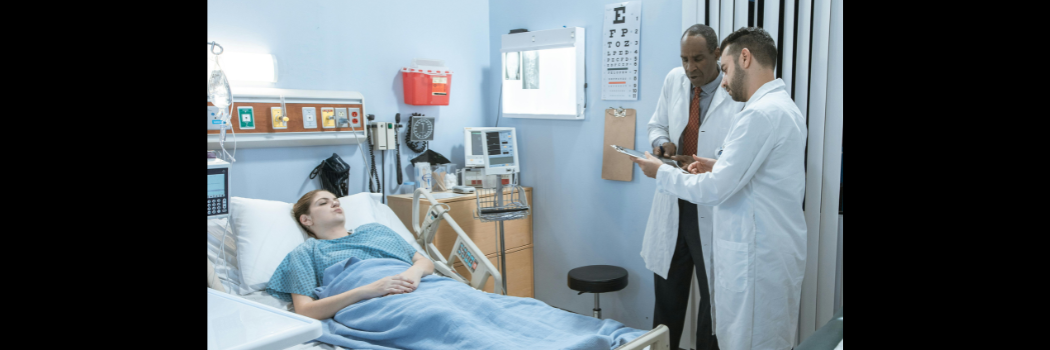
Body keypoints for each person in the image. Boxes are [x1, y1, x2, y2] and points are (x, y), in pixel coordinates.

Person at [632, 27, 808, 350]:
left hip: (754, 254)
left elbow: (715, 190)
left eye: (724, 70)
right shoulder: (783, 107)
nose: (723, 81)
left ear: (744, 58)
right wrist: (719, 165)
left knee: (732, 331)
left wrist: (660, 173)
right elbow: (754, 172)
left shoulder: (759, 114)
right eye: (684, 59)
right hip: (765, 249)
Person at [641, 24, 744, 350]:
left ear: (716, 55)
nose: (690, 68)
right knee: (667, 302)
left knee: (713, 306)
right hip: (674, 205)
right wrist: (662, 143)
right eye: (684, 59)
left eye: (698, 58)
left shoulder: (736, 94)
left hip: (711, 208)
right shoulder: (675, 80)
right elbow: (656, 123)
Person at [265, 189, 435, 320]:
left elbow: (424, 262)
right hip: (379, 305)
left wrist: (413, 273)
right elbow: (305, 310)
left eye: (336, 201)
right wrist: (369, 290)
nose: (335, 204)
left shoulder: (376, 229)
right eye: (323, 203)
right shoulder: (307, 252)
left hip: (424, 288)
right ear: (306, 220)